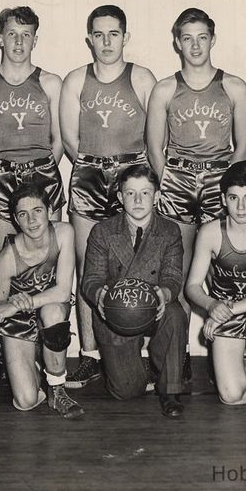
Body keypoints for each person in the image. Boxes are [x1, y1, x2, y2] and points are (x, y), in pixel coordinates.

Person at [146, 7, 246, 380]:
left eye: (202, 37)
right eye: (187, 38)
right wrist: (170, 181)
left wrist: (224, 188)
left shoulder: (233, 86)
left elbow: (244, 147)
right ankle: (181, 352)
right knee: (179, 270)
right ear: (177, 41)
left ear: (212, 39)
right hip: (178, 180)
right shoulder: (165, 88)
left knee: (226, 266)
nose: (194, 45)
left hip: (219, 181)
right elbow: (155, 148)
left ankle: (234, 344)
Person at [59, 5, 157, 389]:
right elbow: (69, 139)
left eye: (113, 34)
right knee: (89, 267)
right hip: (88, 173)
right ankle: (89, 355)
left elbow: (155, 134)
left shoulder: (143, 78)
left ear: (125, 37)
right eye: (98, 35)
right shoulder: (74, 80)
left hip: (131, 174)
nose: (106, 42)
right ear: (89, 39)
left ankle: (136, 355)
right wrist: (92, 167)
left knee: (134, 266)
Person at [81, 164, 187, 418]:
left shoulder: (170, 231)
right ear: (120, 197)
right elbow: (90, 280)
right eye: (130, 193)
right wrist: (101, 296)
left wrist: (163, 293)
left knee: (175, 313)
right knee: (126, 391)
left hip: (153, 308)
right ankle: (136, 368)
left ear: (157, 196)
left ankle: (170, 390)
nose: (138, 200)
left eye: (145, 193)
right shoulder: (102, 231)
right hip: (115, 315)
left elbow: (173, 278)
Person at [185, 161, 246, 416]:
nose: (241, 207)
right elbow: (193, 286)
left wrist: (228, 310)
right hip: (225, 311)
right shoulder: (210, 232)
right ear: (223, 199)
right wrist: (211, 305)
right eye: (234, 197)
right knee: (232, 396)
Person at [0, 6, 66, 258]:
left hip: (43, 175)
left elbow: (59, 139)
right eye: (12, 34)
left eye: (26, 34)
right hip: (0, 177)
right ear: (0, 38)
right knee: (5, 258)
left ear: (35, 39)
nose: (19, 41)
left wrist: (43, 168)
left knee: (47, 258)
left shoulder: (51, 83)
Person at [0, 183, 84, 419]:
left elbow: (62, 292)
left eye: (37, 211)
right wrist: (7, 307)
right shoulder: (7, 257)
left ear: (50, 211)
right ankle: (32, 361)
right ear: (15, 220)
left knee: (52, 311)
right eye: (23, 214)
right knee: (26, 401)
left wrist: (26, 301)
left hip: (47, 310)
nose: (32, 220)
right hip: (18, 320)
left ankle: (57, 388)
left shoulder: (63, 233)